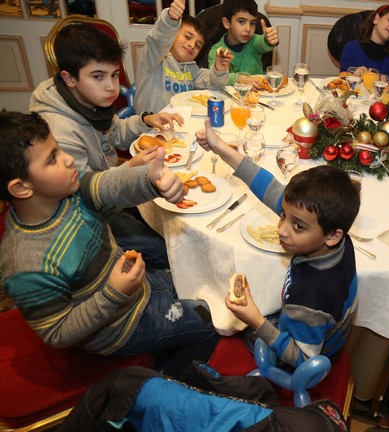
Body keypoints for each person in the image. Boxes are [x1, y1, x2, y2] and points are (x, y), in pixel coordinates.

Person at [0, 111, 220, 378]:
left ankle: (167, 346)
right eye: (52, 159)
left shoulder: (67, 191)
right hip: (118, 326)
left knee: (199, 281)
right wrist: (113, 293)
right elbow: (58, 332)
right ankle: (168, 380)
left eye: (58, 149)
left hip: (137, 288)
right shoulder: (27, 266)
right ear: (21, 188)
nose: (68, 159)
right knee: (211, 321)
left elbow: (108, 184)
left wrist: (150, 180)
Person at [195, 119, 360, 368]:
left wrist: (255, 321)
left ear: (332, 235)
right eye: (283, 214)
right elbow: (267, 186)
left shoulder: (310, 298)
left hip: (299, 358)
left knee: (220, 320)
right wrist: (219, 146)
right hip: (318, 334)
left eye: (298, 226)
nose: (281, 229)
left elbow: (303, 359)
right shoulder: (335, 235)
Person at [30, 21, 184, 269]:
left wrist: (145, 120)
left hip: (111, 186)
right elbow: (81, 193)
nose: (112, 87)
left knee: (174, 218)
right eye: (98, 76)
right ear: (69, 78)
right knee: (169, 250)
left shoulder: (87, 99)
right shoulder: (58, 130)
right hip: (86, 216)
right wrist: (131, 168)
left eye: (114, 74)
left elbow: (115, 132)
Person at [134, 0, 231, 115]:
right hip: (150, 124)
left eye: (198, 45)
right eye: (187, 37)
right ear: (173, 33)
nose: (192, 45)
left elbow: (215, 85)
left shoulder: (192, 69)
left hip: (181, 122)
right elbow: (157, 40)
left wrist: (219, 69)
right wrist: (171, 20)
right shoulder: (154, 59)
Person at [206, 0, 279, 84]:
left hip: (259, 91)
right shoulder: (217, 51)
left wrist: (269, 40)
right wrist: (240, 79)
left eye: (252, 23)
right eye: (241, 22)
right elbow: (215, 77)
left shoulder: (253, 42)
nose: (248, 29)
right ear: (227, 23)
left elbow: (263, 43)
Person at [338, 4, 389, 90]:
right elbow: (342, 80)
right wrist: (354, 77)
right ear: (376, 19)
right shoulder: (351, 48)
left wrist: (387, 84)